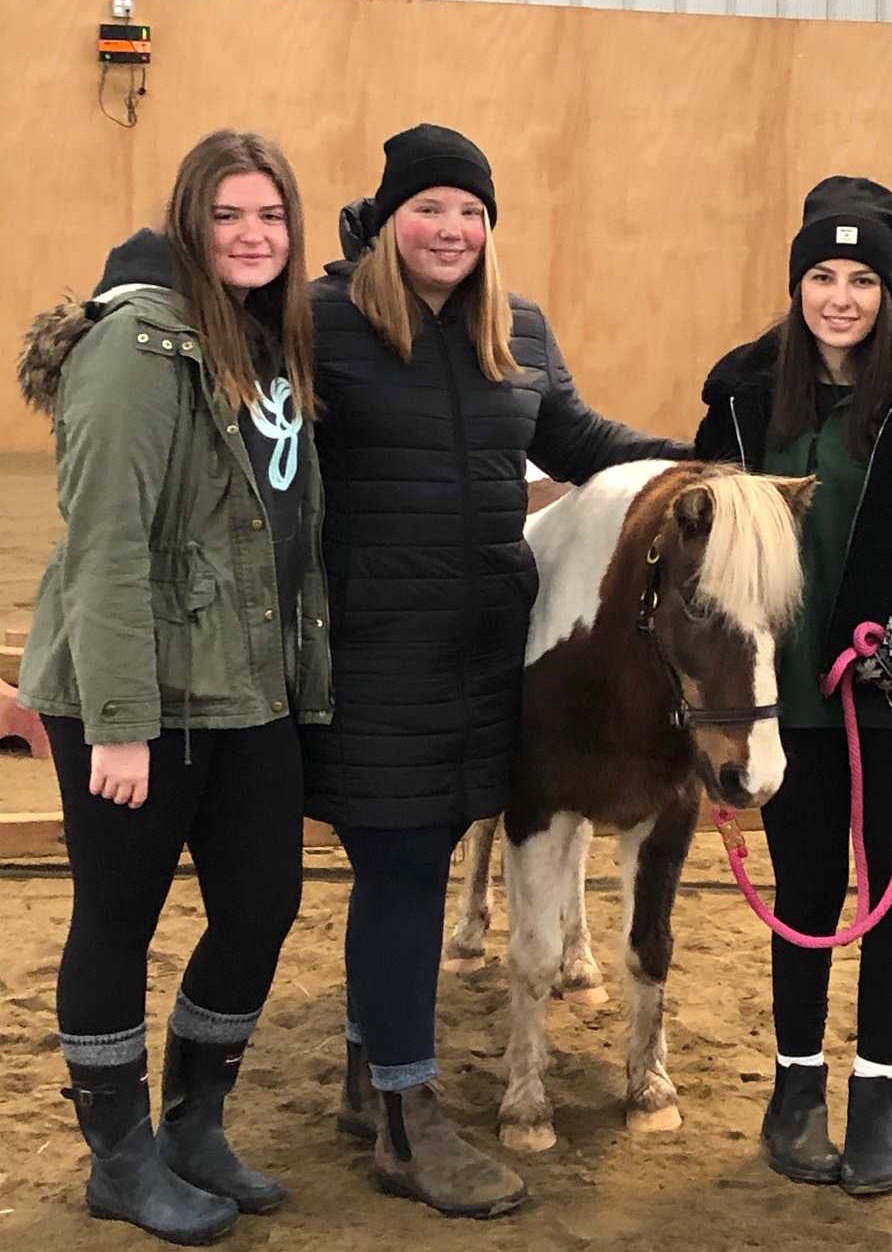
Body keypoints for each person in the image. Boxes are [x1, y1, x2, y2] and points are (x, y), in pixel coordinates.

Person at [305, 123, 691, 1218]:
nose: (452, 228)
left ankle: (361, 1066)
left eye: (471, 212)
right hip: (375, 649)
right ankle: (405, 1120)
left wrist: (694, 468)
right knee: (404, 868)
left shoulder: (514, 328)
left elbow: (575, 438)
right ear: (387, 219)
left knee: (409, 865)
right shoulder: (325, 322)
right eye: (429, 207)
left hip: (484, 651)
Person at [16, 130, 327, 1243]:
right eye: (230, 216)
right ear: (190, 224)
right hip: (140, 693)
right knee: (119, 917)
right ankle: (120, 1155)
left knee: (262, 903)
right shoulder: (137, 347)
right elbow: (106, 547)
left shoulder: (267, 341)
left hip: (247, 687)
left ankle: (196, 1123)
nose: (254, 236)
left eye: (272, 217)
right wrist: (119, 725)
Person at [695, 176, 892, 1196]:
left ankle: (878, 1092)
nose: (840, 296)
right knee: (807, 887)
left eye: (863, 278)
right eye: (823, 276)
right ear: (797, 285)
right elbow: (698, 545)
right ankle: (796, 1090)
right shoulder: (741, 394)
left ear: (889, 290)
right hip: (780, 700)